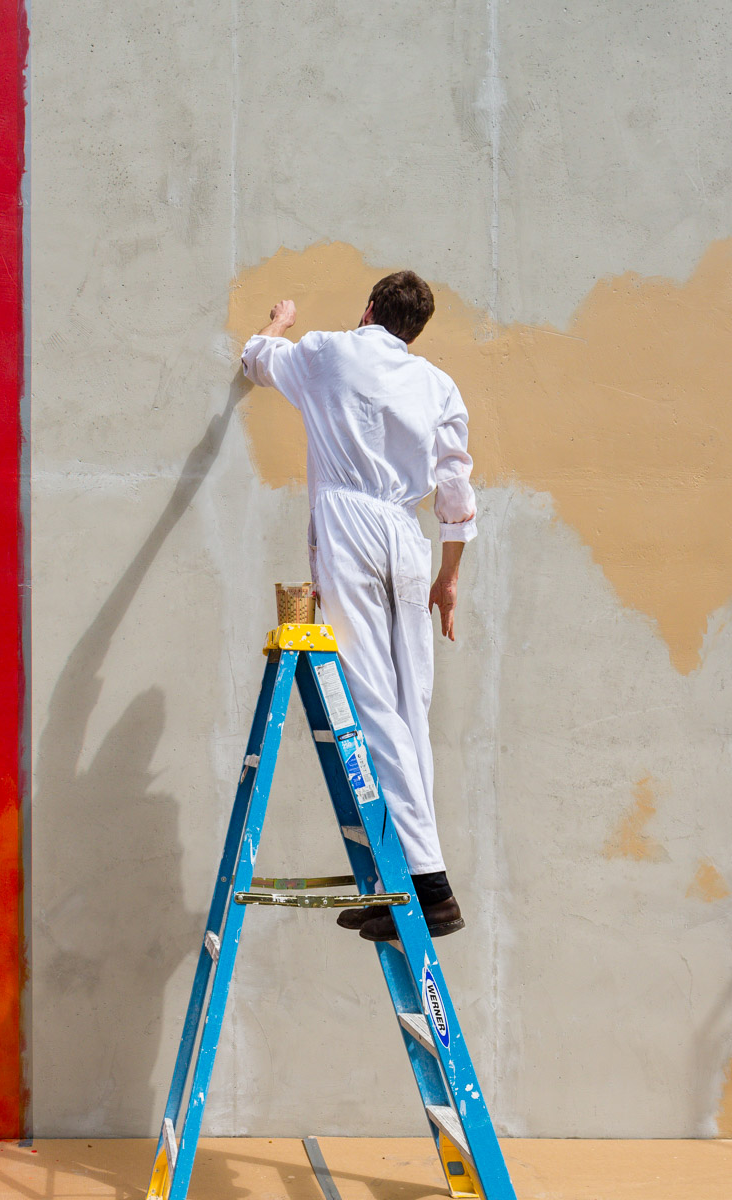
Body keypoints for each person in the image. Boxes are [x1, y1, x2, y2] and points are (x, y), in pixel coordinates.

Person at [240, 270, 476, 941]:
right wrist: (450, 577)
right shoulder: (437, 384)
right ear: (414, 329)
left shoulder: (328, 352)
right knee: (409, 709)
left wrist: (278, 321)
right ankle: (402, 880)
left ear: (368, 308)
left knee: (372, 705)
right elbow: (456, 492)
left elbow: (257, 360)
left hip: (349, 524)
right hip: (409, 537)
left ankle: (429, 889)